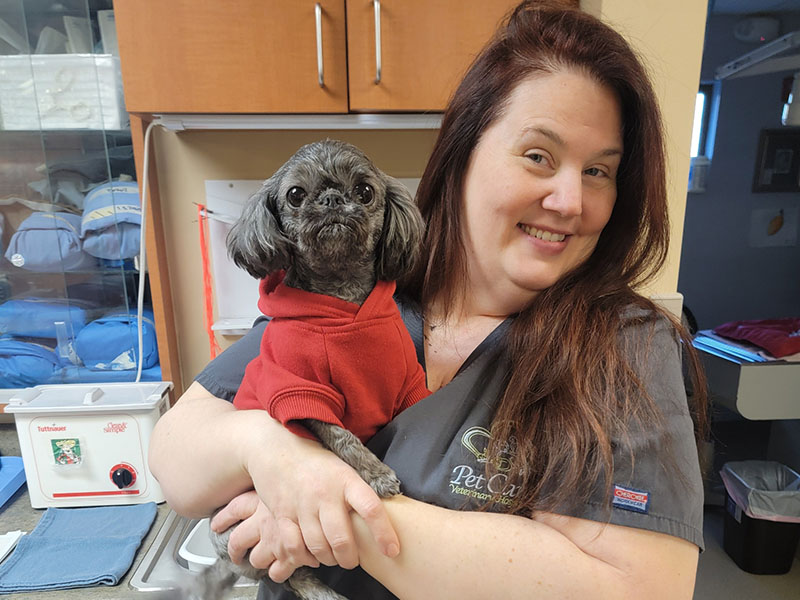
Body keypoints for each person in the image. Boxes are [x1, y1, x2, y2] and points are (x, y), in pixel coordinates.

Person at [149, 2, 709, 598]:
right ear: (464, 154)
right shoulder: (354, 292)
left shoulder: (624, 344)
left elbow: (641, 588)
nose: (571, 201)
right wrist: (273, 454)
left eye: (599, 171)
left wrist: (329, 514)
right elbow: (176, 457)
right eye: (538, 156)